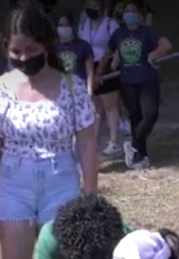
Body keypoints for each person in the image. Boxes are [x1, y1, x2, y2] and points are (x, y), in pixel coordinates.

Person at [0, 2, 97, 259]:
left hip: (61, 183)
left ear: (46, 43)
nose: (23, 58)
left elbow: (87, 142)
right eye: (15, 51)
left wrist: (90, 192)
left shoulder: (71, 87)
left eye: (31, 49)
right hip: (13, 184)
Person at [97, 0, 172, 170]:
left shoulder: (147, 32)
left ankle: (133, 145)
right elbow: (107, 55)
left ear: (140, 15)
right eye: (127, 11)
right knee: (135, 118)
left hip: (147, 80)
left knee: (150, 115)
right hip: (127, 82)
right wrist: (98, 74)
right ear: (123, 15)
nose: (130, 14)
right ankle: (140, 156)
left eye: (133, 11)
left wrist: (154, 54)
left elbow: (167, 45)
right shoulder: (118, 34)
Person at [78, 0, 123, 157]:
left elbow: (116, 45)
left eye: (96, 5)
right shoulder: (84, 25)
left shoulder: (111, 24)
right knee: (94, 107)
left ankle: (114, 141)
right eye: (89, 5)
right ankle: (94, 141)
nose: (92, 8)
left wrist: (109, 65)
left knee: (110, 106)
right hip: (89, 65)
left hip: (106, 66)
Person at [56, 11, 94, 94]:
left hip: (79, 90)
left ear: (72, 26)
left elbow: (90, 73)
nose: (63, 28)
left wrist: (89, 92)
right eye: (61, 25)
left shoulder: (84, 46)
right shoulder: (52, 47)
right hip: (60, 90)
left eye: (67, 25)